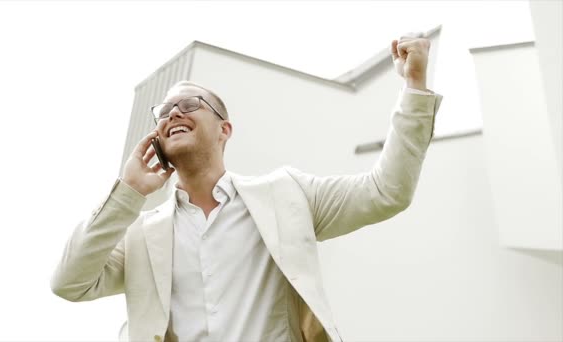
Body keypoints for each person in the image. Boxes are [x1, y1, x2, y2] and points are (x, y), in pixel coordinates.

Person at [51, 34, 443, 342]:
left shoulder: (287, 196)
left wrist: (415, 87)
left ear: (225, 129)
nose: (173, 113)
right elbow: (69, 282)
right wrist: (128, 192)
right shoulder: (141, 236)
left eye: (189, 103)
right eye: (165, 111)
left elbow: (387, 191)